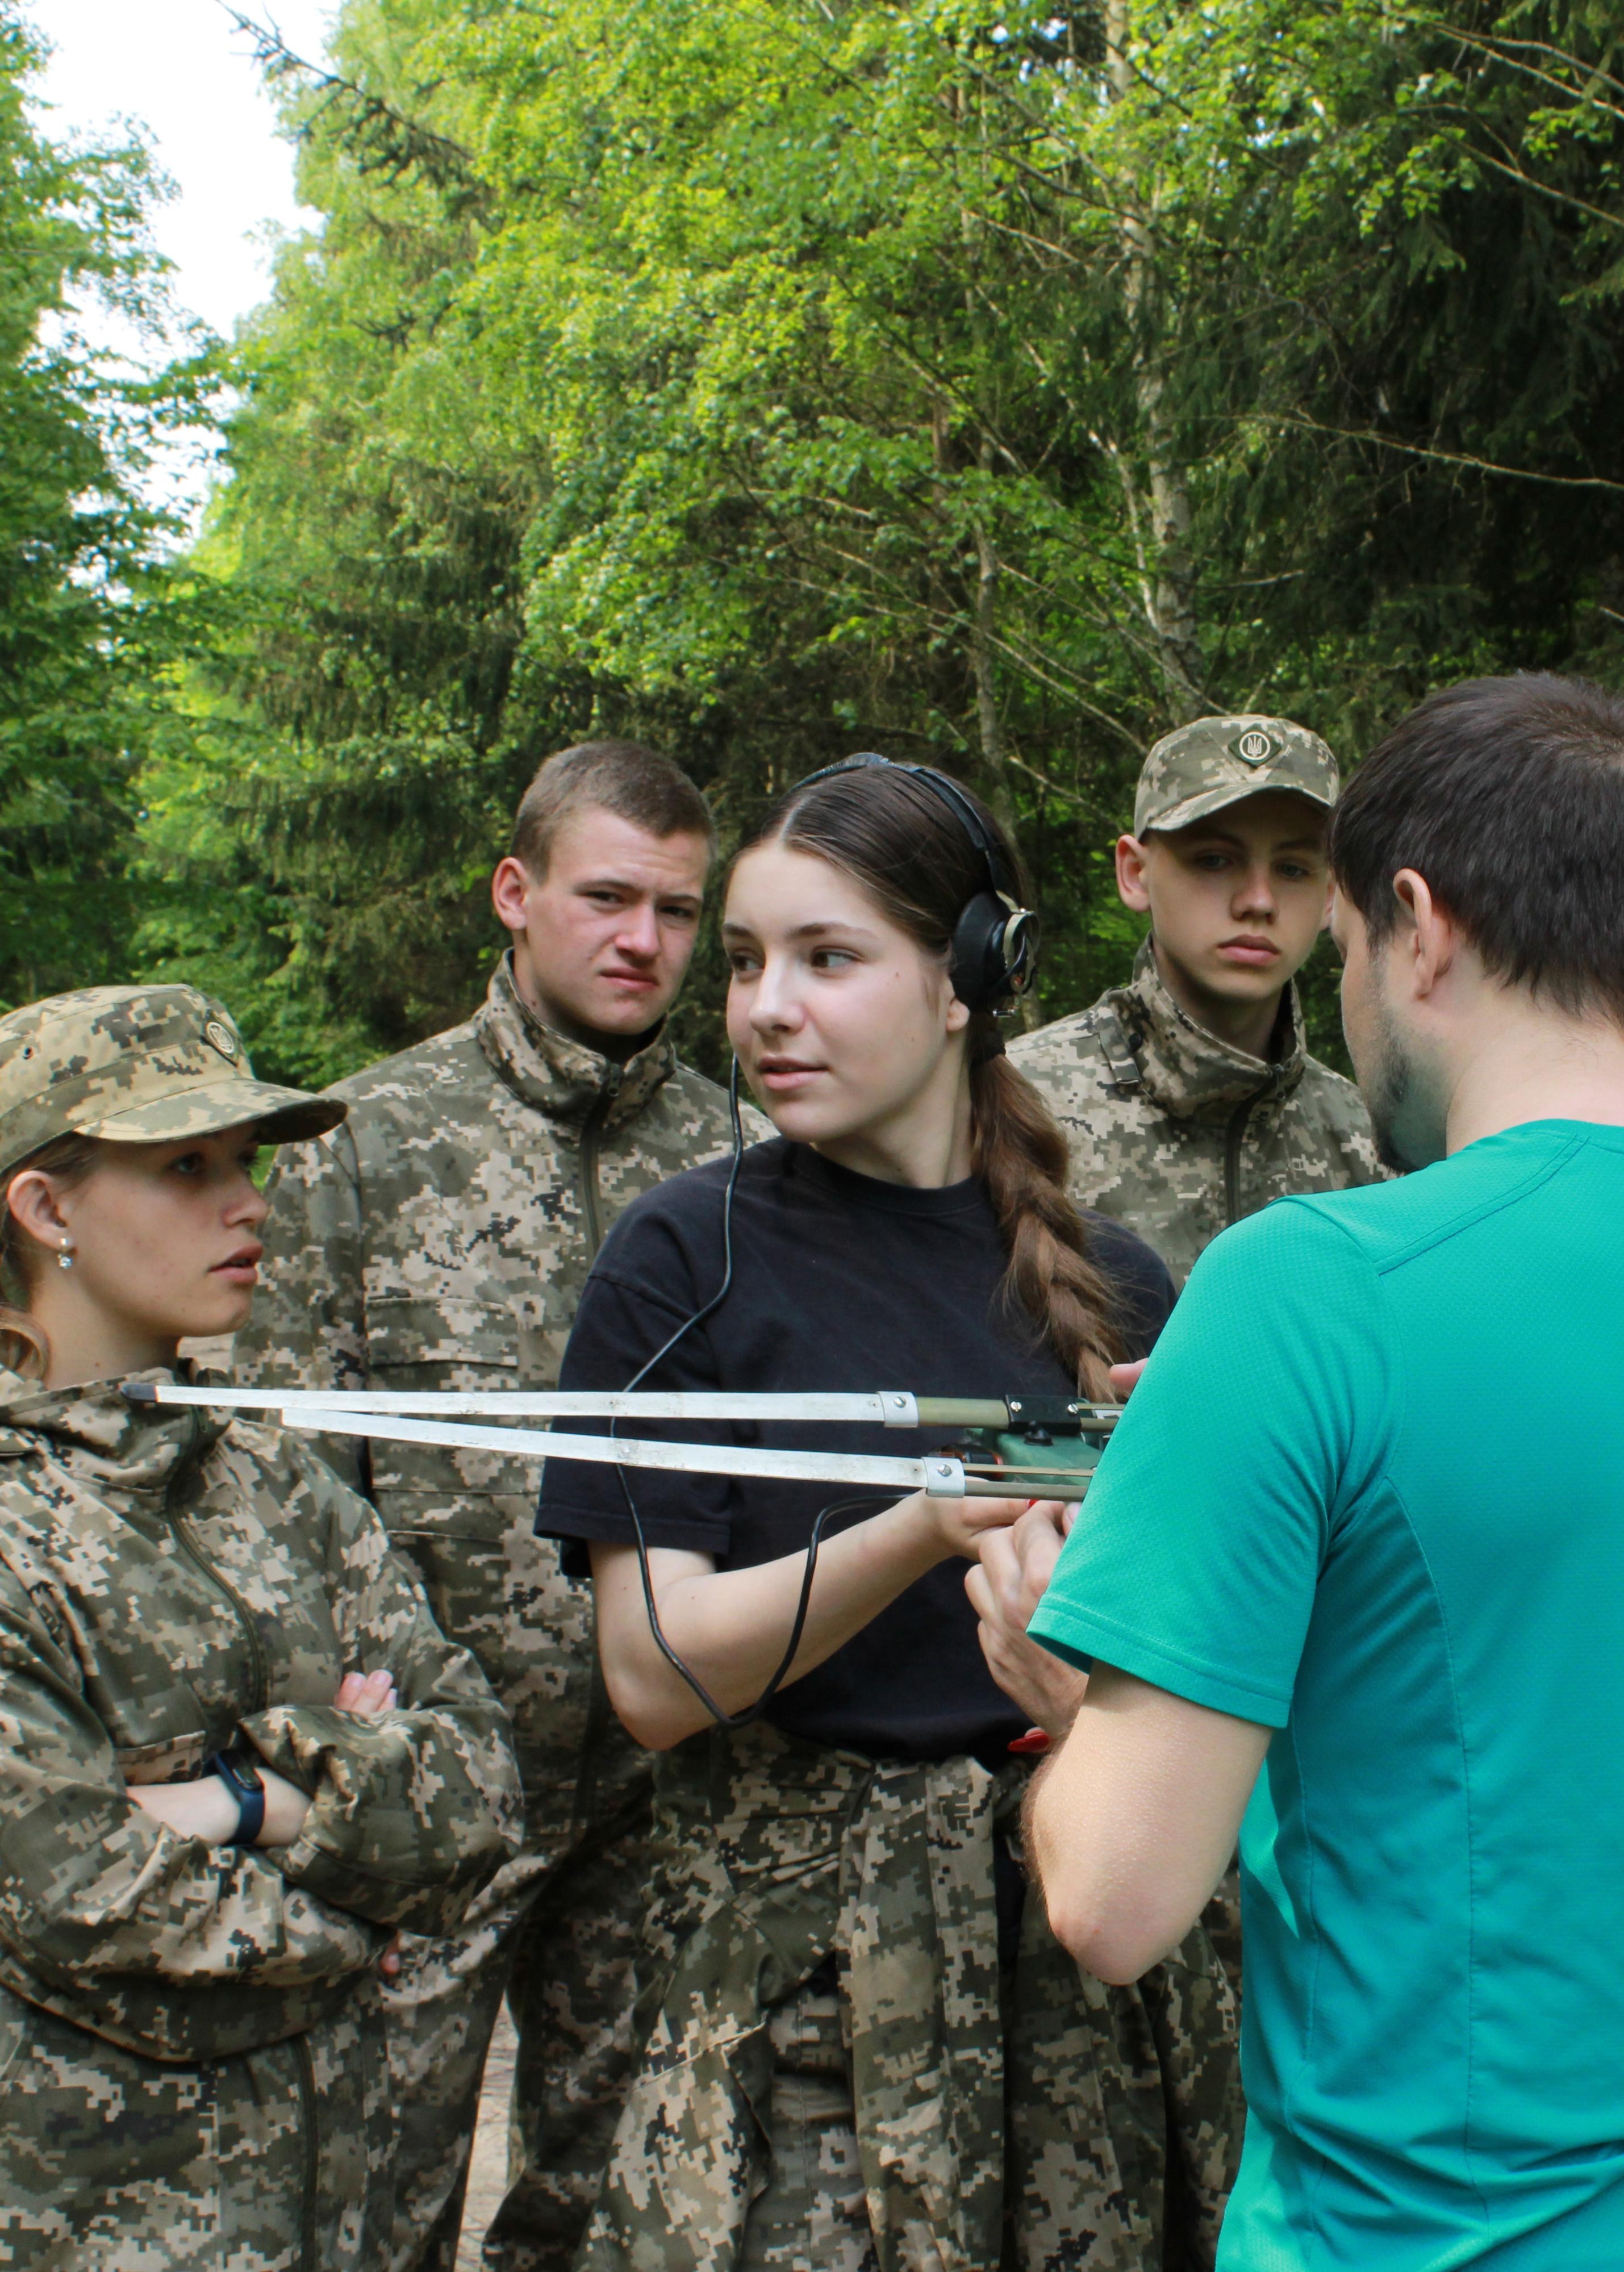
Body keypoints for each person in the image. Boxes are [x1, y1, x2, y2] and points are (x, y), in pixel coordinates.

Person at [1007, 674, 1624, 2269]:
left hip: (1442, 2231)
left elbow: (1115, 1899)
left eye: (1351, 957)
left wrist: (1075, 1686)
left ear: (1416, 924)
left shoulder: (1306, 1288)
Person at [533, 756, 1239, 2272]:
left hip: (1080, 1990)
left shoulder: (1118, 1286)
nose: (765, 1008)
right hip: (807, 2012)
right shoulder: (679, 1259)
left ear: (974, 976)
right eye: (743, 963)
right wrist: (930, 1521)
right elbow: (654, 1679)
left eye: (827, 958)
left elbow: (1193, 1674)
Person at [0, 983, 525, 2271]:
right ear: (49, 1210)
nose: (250, 1199)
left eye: (246, 1160)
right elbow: (69, 1892)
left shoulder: (271, 1481)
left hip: (329, 2199)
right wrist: (356, 1916)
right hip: (74, 2209)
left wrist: (245, 1801)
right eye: (188, 1165)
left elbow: (478, 1774)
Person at [234, 738, 753, 2270]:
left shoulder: (748, 1162)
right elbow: (286, 1476)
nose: (641, 940)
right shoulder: (364, 1145)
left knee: (612, 2200)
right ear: (515, 896)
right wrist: (347, 1738)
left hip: (662, 1785)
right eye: (606, 897)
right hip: (430, 1782)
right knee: (368, 2189)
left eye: (674, 910)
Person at [1009, 713, 1383, 1280]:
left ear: (1330, 897)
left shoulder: (1365, 1137)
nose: (1258, 900)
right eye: (1215, 859)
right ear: (1134, 873)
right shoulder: (1018, 1101)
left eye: (1292, 868)